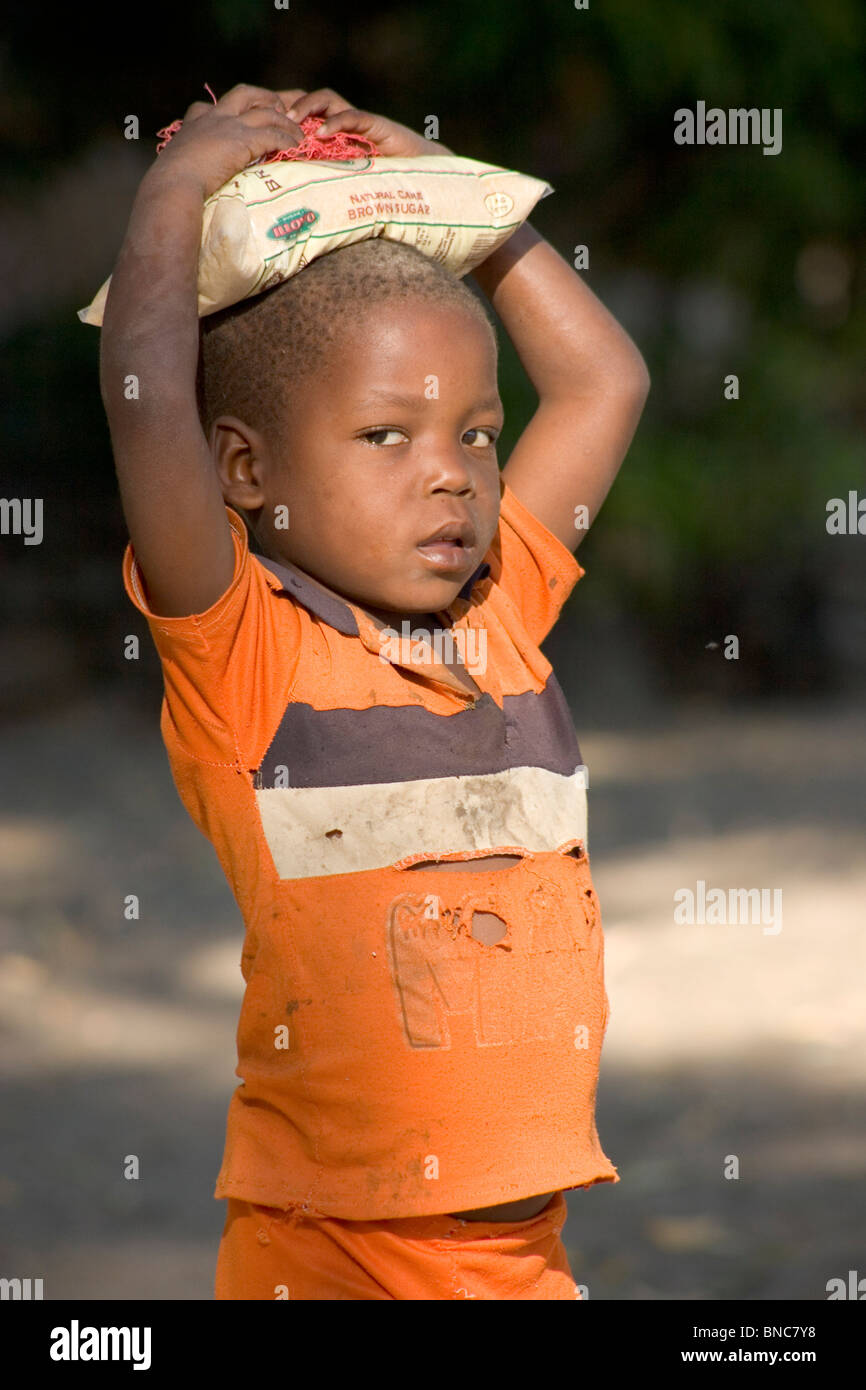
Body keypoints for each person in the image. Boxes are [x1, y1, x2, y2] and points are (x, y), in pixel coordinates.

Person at [98, 82, 650, 1300]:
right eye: (386, 437)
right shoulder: (249, 656)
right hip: (328, 1259)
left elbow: (604, 381)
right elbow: (143, 403)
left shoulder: (500, 612)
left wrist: (456, 198)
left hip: (521, 1261)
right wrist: (175, 188)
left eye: (476, 431)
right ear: (243, 467)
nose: (449, 476)